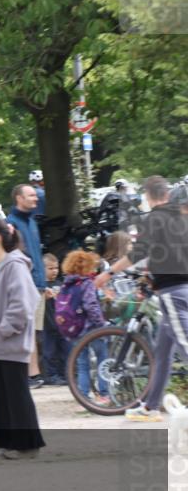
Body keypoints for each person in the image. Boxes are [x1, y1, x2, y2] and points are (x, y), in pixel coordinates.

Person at [95, 176, 188, 421]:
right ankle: (151, 407)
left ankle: (151, 407)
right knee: (163, 352)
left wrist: (108, 273)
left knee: (185, 345)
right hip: (178, 287)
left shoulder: (157, 218)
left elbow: (140, 252)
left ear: (148, 196)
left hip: (173, 291)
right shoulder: (180, 218)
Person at [0, 218, 45, 459]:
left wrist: (4, 329)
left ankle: (27, 445)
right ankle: (3, 443)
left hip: (9, 341)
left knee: (16, 394)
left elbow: (23, 304)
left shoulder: (15, 266)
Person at [7, 183, 47, 389]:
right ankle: (31, 375)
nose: (36, 198)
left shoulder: (32, 222)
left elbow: (36, 255)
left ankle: (33, 374)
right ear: (19, 199)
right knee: (26, 330)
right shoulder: (10, 224)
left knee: (33, 331)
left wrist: (43, 282)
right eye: (31, 195)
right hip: (24, 284)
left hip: (37, 284)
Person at [57, 250, 110, 405]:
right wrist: (102, 324)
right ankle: (104, 393)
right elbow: (91, 306)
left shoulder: (66, 284)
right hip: (91, 328)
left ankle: (84, 396)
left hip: (75, 330)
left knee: (82, 363)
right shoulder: (86, 284)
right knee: (103, 359)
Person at [40, 253, 68, 386]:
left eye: (56, 268)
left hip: (62, 324)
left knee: (65, 350)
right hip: (47, 324)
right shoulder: (41, 286)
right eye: (50, 268)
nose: (55, 271)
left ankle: (65, 374)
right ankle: (51, 376)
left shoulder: (60, 284)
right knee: (49, 352)